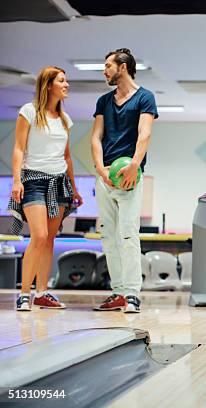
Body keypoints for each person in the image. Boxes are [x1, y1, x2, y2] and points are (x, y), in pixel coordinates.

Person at [9, 66, 83, 311]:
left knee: (50, 239)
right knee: (38, 236)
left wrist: (74, 187)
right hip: (33, 180)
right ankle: (24, 293)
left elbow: (68, 156)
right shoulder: (29, 112)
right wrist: (16, 180)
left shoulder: (65, 119)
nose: (66, 85)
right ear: (48, 85)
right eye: (62, 80)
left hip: (59, 181)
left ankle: (41, 293)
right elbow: (19, 148)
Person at [91, 48, 158, 313]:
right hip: (106, 175)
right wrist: (99, 169)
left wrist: (133, 165)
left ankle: (131, 294)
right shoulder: (104, 101)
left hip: (130, 176)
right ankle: (117, 291)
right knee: (108, 235)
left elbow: (145, 133)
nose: (104, 70)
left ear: (123, 67)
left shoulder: (144, 97)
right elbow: (96, 137)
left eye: (108, 65)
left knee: (128, 234)